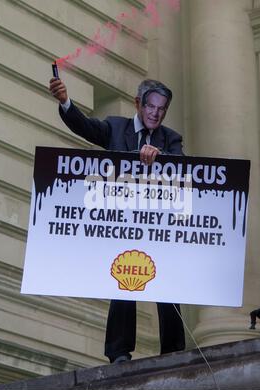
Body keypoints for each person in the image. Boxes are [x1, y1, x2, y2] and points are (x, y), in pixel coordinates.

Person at [49, 76, 186, 363]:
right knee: (125, 278)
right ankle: (119, 351)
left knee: (169, 281)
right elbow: (85, 126)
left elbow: (184, 167)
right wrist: (65, 102)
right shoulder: (114, 127)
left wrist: (160, 158)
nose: (155, 113)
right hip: (123, 222)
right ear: (138, 104)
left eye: (162, 109)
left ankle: (174, 352)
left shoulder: (171, 139)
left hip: (158, 224)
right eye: (151, 106)